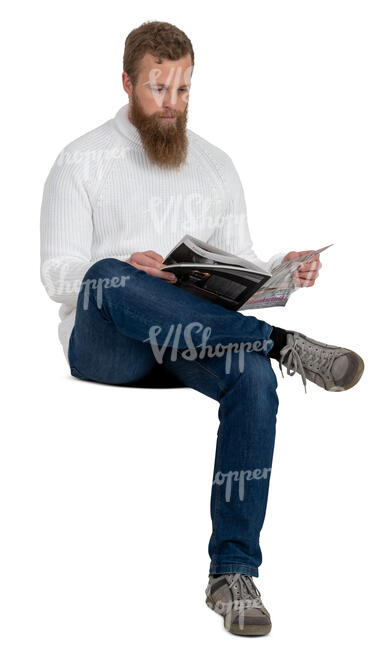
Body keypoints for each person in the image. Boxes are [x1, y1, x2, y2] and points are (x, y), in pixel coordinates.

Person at [39, 20, 364, 636]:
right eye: (159, 89)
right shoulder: (81, 159)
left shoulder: (215, 164)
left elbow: (236, 266)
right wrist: (129, 271)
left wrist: (283, 274)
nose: (172, 105)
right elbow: (58, 274)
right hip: (111, 344)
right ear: (128, 82)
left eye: (184, 90)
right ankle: (282, 348)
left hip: (195, 338)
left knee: (252, 378)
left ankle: (232, 574)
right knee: (109, 272)